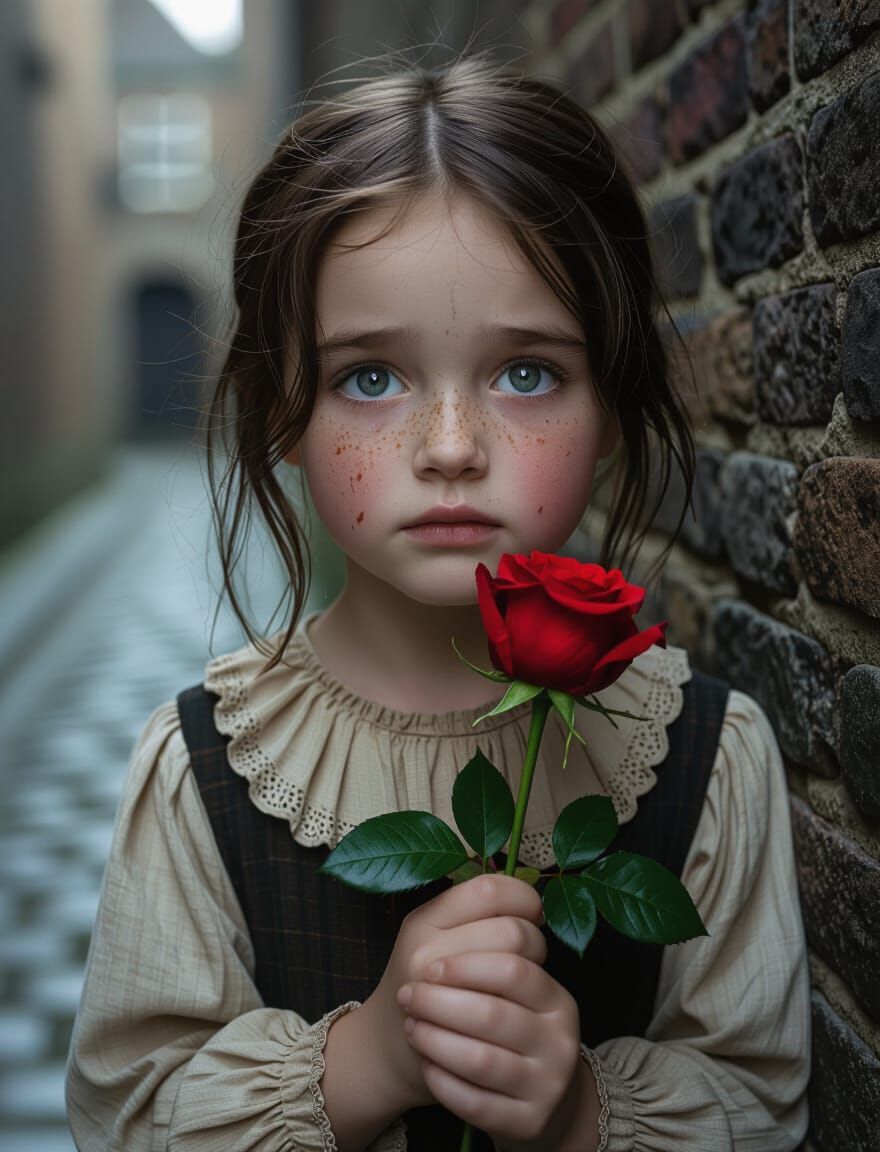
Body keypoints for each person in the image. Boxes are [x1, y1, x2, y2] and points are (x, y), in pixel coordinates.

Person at [65, 51, 810, 1151]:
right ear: (282, 413)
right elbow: (129, 1114)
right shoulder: (199, 771)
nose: (451, 447)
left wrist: (578, 1113)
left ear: (610, 407)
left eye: (526, 373)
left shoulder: (711, 759)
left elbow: (759, 1105)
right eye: (369, 377)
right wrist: (368, 1063)